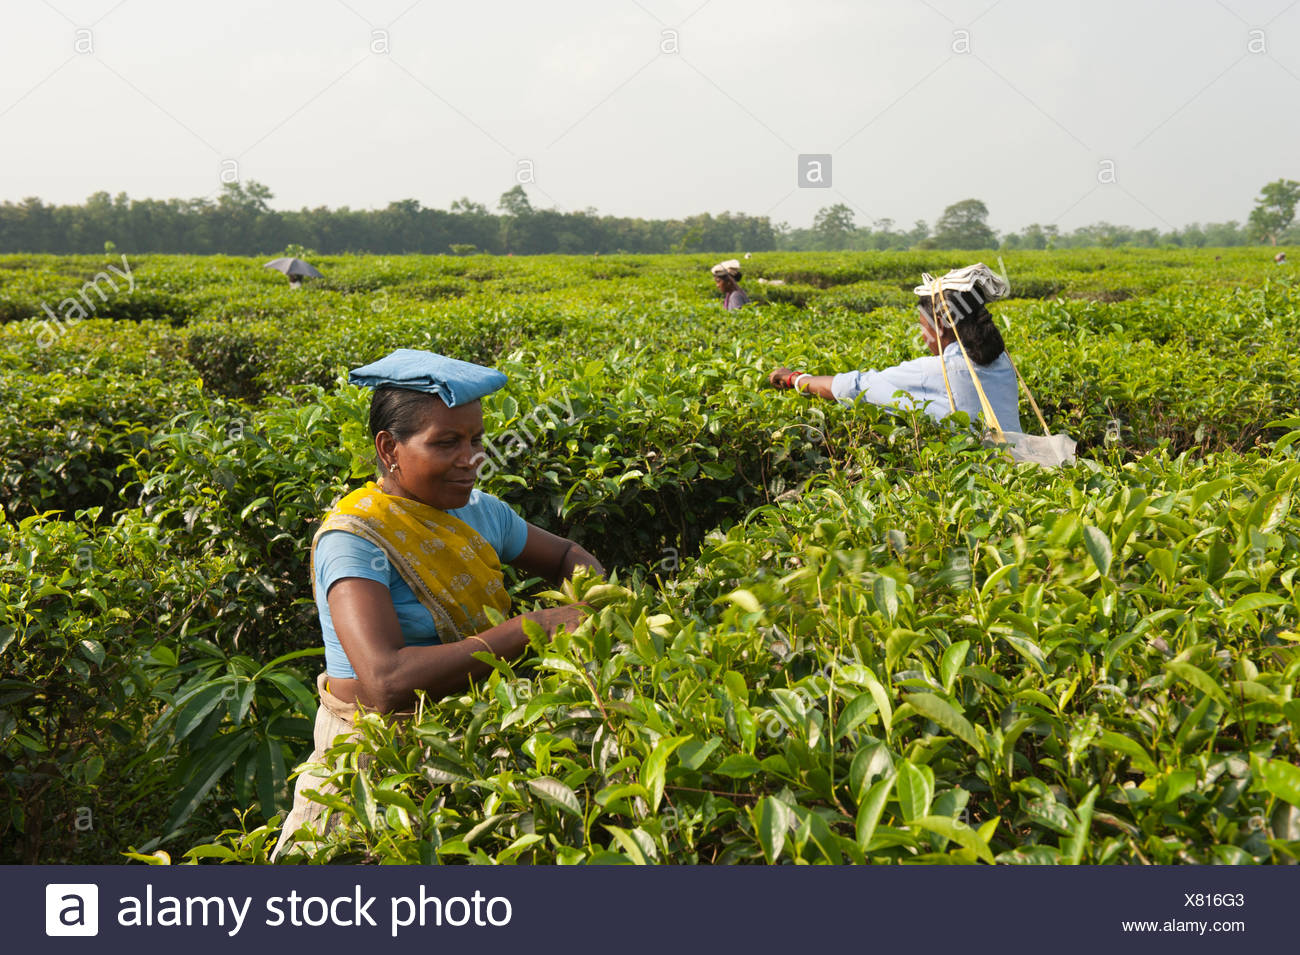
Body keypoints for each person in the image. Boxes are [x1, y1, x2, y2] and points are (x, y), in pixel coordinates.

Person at [274, 348, 603, 858]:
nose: (470, 459)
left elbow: (565, 554)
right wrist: (536, 627)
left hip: (474, 736)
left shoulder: (479, 510)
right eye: (446, 442)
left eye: (476, 440)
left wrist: (595, 601)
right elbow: (386, 683)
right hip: (376, 757)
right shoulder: (356, 538)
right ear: (389, 448)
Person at [768, 263, 1022, 433]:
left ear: (942, 328)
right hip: (1017, 476)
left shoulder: (934, 371)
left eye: (925, 328)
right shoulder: (1003, 364)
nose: (925, 339)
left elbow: (854, 387)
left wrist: (795, 379)